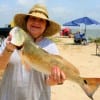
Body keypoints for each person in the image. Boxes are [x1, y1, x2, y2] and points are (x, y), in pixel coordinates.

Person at [0, 4, 66, 100]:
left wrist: (55, 80)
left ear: (46, 25)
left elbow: (48, 82)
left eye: (41, 20)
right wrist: (8, 50)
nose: (36, 22)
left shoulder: (51, 47)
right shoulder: (11, 39)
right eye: (32, 18)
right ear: (26, 21)